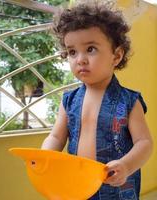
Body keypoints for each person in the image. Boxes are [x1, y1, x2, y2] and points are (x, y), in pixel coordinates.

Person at [41, 1, 153, 199]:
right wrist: (45, 156)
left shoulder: (129, 101)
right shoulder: (69, 100)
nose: (80, 59)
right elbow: (57, 137)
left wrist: (127, 165)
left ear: (116, 55)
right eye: (72, 52)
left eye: (90, 49)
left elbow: (144, 143)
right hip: (78, 185)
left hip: (117, 188)